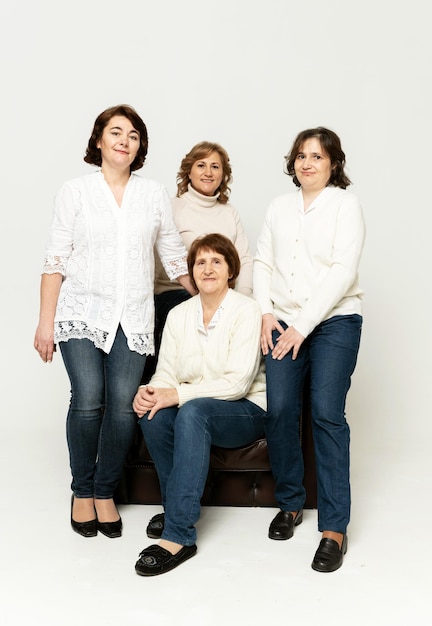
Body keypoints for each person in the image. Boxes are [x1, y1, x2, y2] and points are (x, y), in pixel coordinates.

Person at [33, 104, 195, 539]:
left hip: (134, 316)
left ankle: (105, 491)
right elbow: (55, 260)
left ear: (139, 147)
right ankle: (81, 491)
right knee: (88, 400)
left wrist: (205, 296)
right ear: (100, 140)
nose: (125, 140)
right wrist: (45, 323)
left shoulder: (154, 194)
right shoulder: (75, 191)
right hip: (81, 312)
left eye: (134, 135)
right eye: (116, 132)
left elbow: (173, 252)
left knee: (124, 408)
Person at [253, 127, 365, 573]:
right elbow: (262, 261)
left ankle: (333, 528)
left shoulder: (345, 205)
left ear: (333, 163)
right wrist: (265, 312)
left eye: (316, 156)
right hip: (281, 319)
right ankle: (291, 502)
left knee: (324, 412)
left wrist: (302, 325)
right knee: (279, 408)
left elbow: (342, 271)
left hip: (335, 321)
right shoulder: (278, 208)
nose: (306, 163)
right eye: (300, 156)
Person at [133, 234, 266, 576]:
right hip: (197, 407)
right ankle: (178, 505)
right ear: (191, 271)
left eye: (216, 261)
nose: (208, 268)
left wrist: (175, 395)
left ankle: (179, 534)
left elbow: (237, 383)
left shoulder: (246, 309)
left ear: (231, 270)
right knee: (153, 416)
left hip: (245, 409)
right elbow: (165, 373)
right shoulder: (179, 314)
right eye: (200, 262)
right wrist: (151, 392)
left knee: (192, 411)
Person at [142, 141, 253, 382]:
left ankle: (218, 389)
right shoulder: (172, 207)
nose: (208, 172)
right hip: (174, 294)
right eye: (201, 165)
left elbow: (244, 258)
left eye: (215, 166)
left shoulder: (229, 213)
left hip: (221, 296)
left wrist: (243, 302)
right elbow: (152, 257)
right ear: (188, 171)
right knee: (188, 314)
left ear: (223, 175)